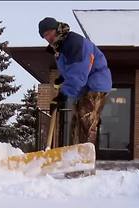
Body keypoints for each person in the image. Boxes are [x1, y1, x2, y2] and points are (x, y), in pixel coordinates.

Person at [38, 17, 112, 148]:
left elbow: (79, 72)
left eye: (49, 32)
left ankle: (85, 163)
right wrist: (62, 79)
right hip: (84, 87)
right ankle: (76, 161)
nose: (48, 37)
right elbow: (71, 69)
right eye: (44, 35)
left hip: (96, 84)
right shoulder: (60, 47)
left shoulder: (73, 42)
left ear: (57, 29)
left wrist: (62, 95)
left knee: (86, 122)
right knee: (76, 125)